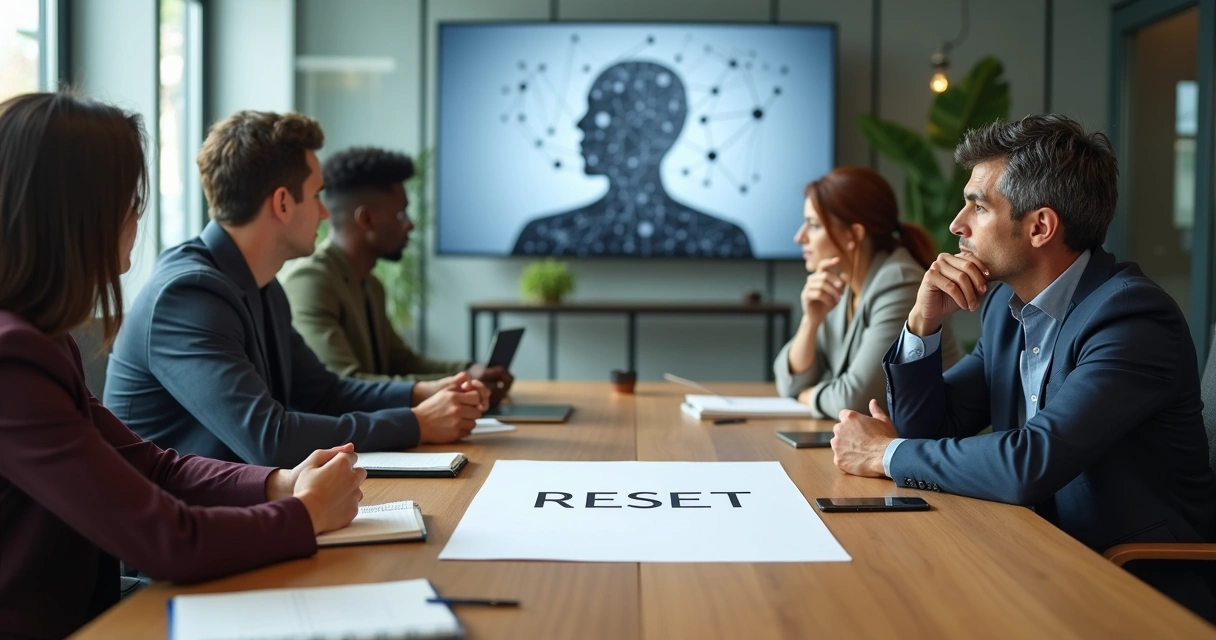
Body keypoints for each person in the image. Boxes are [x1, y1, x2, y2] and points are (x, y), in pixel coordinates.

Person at [0, 92, 367, 640]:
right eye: (129, 200)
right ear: (81, 214)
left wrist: (281, 484)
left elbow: (151, 467)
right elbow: (166, 542)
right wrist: (305, 514)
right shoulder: (14, 361)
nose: (136, 216)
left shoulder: (42, 341)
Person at [829, 114, 1216, 619]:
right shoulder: (1005, 310)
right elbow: (930, 426)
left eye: (978, 205)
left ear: (1040, 227)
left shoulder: (1132, 319)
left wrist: (885, 455)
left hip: (1129, 582)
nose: (956, 224)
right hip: (1033, 558)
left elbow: (1030, 463)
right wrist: (923, 322)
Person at [104, 111, 489, 468]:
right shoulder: (188, 294)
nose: (325, 212)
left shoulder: (261, 284)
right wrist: (417, 424)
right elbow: (269, 438)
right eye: (318, 194)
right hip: (174, 527)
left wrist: (422, 393)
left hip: (236, 504)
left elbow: (323, 393)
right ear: (284, 203)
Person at [280, 146, 514, 405]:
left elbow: (399, 361)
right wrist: (448, 387)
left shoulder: (371, 285)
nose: (410, 224)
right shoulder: (311, 282)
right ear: (366, 219)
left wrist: (469, 372)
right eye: (400, 213)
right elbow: (345, 384)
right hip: (343, 442)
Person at [512, 60, 753, 258]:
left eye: (601, 110)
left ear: (653, 129)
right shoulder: (545, 236)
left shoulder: (720, 239)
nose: (581, 123)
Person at [775, 167, 961, 416]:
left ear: (854, 235)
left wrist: (811, 395)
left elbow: (856, 401)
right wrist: (811, 320)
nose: (800, 237)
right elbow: (789, 383)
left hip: (933, 446)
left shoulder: (899, 283)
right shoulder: (843, 285)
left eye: (814, 225)